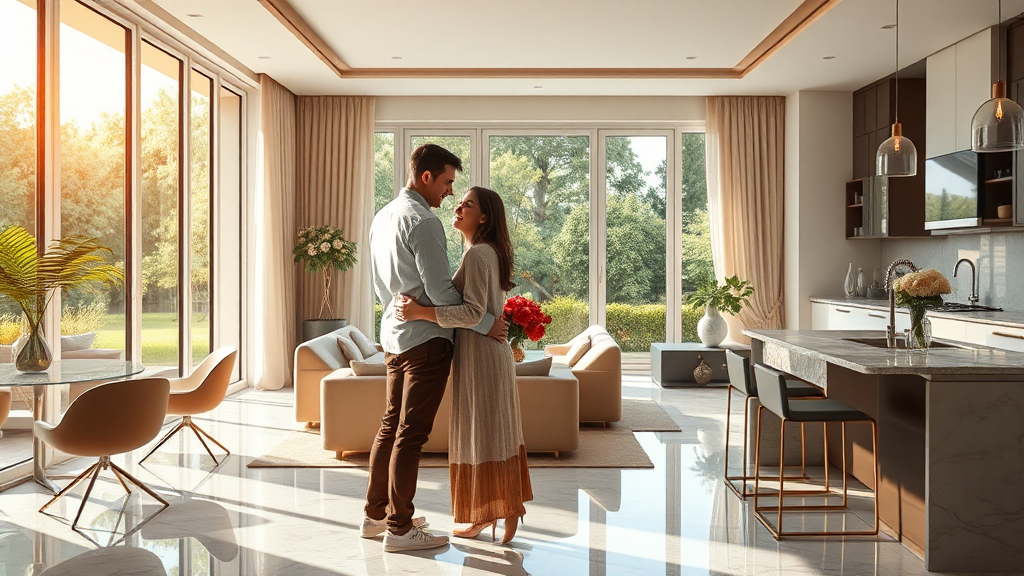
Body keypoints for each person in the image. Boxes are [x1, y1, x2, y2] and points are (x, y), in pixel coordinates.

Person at [364, 144, 507, 553]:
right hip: (426, 344)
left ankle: (375, 516)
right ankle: (401, 528)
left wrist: (402, 313)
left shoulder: (382, 216)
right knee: (411, 434)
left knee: (391, 426)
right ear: (426, 177)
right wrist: (486, 324)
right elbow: (443, 293)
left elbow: (382, 288)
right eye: (447, 183)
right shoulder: (423, 222)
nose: (449, 194)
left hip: (394, 337)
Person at [396, 186, 533, 544]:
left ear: (484, 217)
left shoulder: (477, 255)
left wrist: (419, 312)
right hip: (484, 354)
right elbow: (480, 311)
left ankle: (501, 511)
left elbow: (471, 311)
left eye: (467, 204)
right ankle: (491, 513)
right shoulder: (482, 253)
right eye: (459, 201)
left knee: (483, 436)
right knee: (489, 434)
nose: (458, 206)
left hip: (482, 358)